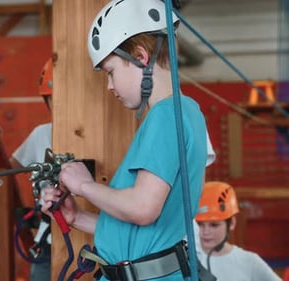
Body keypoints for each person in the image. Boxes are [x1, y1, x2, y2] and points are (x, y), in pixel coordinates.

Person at [40, 0, 209, 280]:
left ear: (141, 57)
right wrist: (77, 218)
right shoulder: (186, 112)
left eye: (111, 72)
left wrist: (84, 185)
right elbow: (146, 235)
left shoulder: (166, 115)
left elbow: (142, 209)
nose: (109, 86)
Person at [0, 58, 54, 281]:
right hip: (47, 244)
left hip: (92, 242)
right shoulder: (42, 135)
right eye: (53, 100)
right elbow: (1, 174)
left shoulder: (97, 139)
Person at [195, 181, 282, 281]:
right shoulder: (189, 261)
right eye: (200, 224)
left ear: (231, 223)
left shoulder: (249, 262)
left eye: (214, 225)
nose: (205, 232)